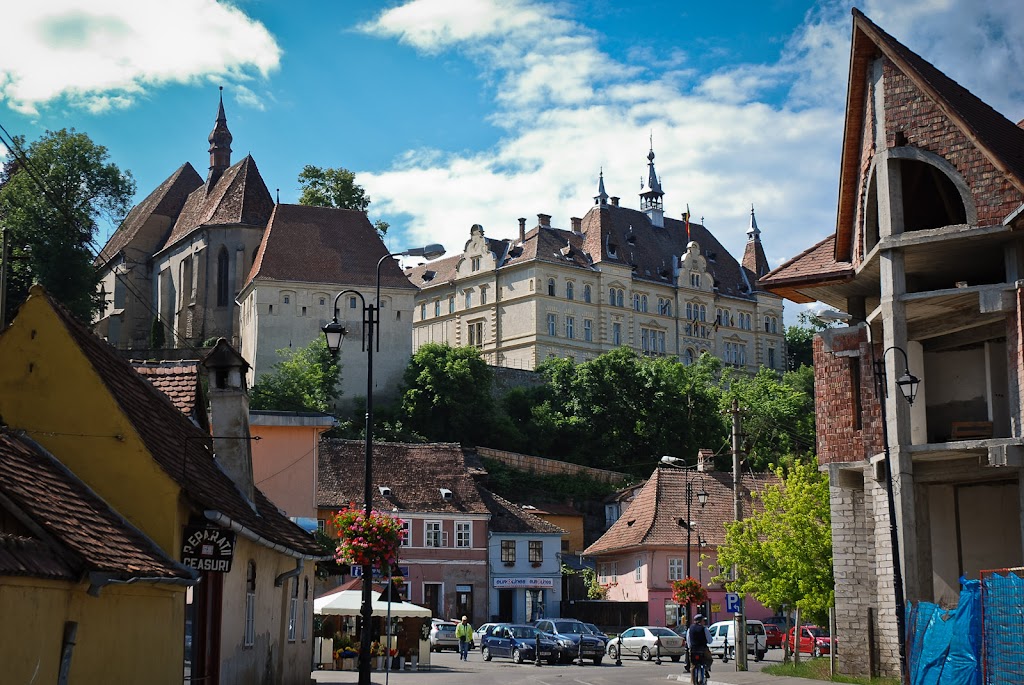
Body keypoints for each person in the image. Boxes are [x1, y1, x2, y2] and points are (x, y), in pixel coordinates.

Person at [686, 614, 713, 684]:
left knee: (693, 666)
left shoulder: (690, 629)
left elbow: (688, 641)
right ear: (700, 621)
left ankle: (693, 682)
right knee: (709, 659)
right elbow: (710, 640)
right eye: (703, 620)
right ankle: (706, 669)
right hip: (703, 650)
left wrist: (690, 648)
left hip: (693, 650)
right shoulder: (704, 629)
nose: (704, 622)